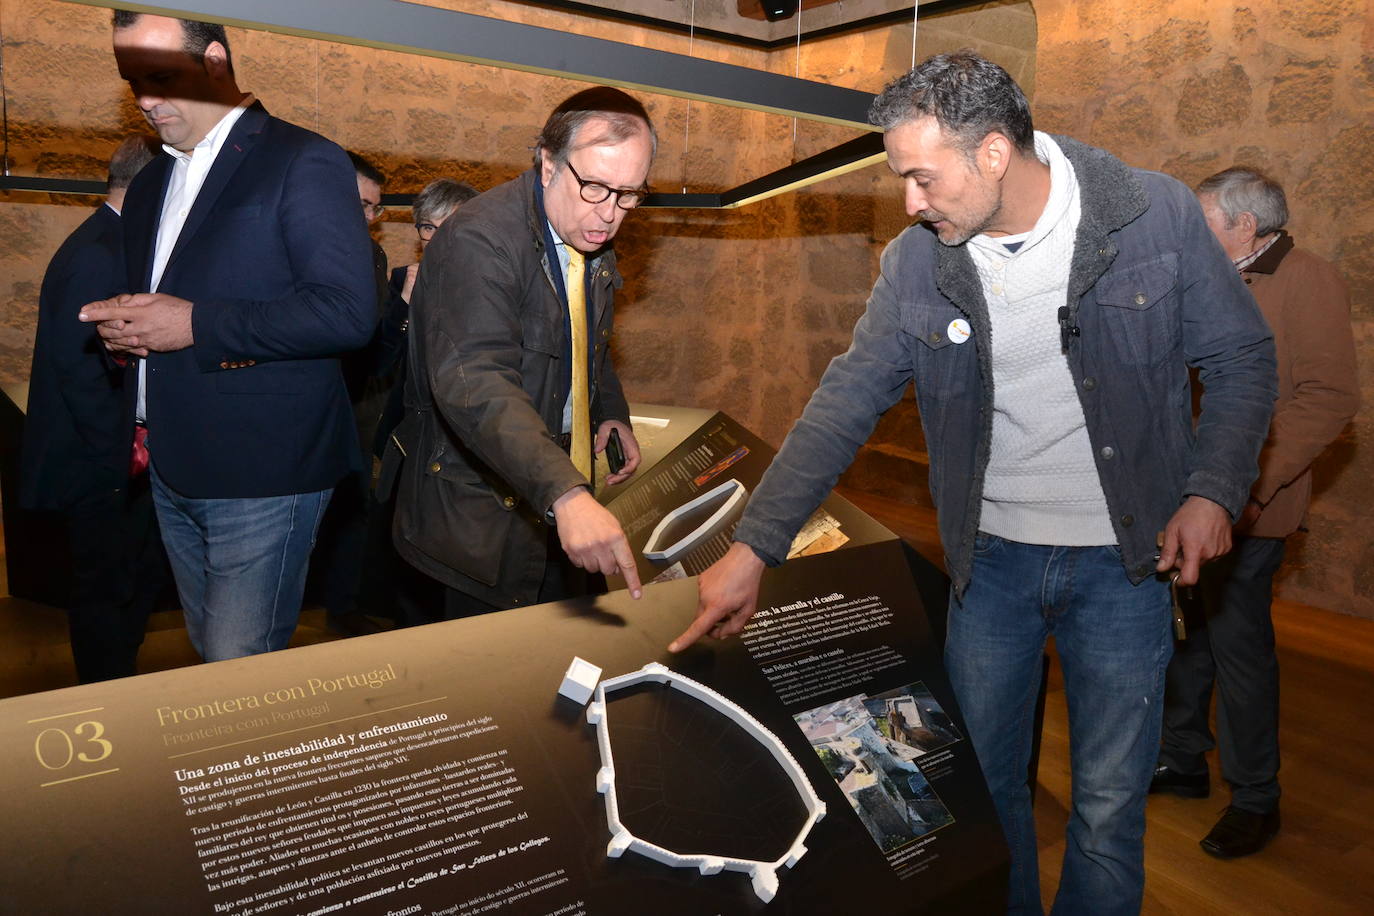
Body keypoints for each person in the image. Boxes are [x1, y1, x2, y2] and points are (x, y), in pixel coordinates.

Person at [670, 52, 1276, 914]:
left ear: (994, 153)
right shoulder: (918, 262)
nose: (911, 203)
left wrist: (1213, 490)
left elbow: (1244, 358)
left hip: (1124, 567)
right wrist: (755, 547)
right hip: (988, 569)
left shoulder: (1153, 216)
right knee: (984, 798)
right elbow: (842, 404)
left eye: (922, 177)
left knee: (1107, 810)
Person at [79, 13, 376, 662]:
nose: (146, 100)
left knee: (239, 677)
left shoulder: (303, 158)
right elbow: (167, 301)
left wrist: (191, 323)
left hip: (265, 473)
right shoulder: (154, 178)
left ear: (214, 61)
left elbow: (349, 312)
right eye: (134, 83)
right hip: (172, 465)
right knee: (209, 662)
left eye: (160, 78)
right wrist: (127, 333)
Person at [1152, 167, 1359, 858]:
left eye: (1204, 217)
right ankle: (1183, 761)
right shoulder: (1211, 274)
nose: (1192, 231)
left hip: (1251, 504)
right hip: (1189, 496)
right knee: (1186, 635)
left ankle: (1255, 796)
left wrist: (1244, 486)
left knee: (1240, 650)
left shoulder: (1307, 278)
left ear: (1245, 224)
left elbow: (1329, 397)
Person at [390, 87, 652, 618]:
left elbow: (584, 340)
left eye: (630, 194)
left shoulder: (586, 234)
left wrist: (609, 411)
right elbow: (476, 381)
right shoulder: (476, 241)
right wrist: (567, 494)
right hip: (479, 517)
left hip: (549, 487)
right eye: (597, 187)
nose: (611, 213)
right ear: (549, 163)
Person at [20, 133, 167, 682]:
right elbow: (80, 369)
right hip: (99, 465)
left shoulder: (113, 241)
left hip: (113, 461)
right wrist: (126, 450)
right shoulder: (98, 251)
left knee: (128, 588)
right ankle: (107, 709)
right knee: (105, 596)